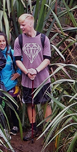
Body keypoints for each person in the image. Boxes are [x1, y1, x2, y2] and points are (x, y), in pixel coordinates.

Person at [13, 13, 52, 141]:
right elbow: (17, 60)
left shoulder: (43, 39)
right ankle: (33, 128)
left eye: (23, 25)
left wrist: (36, 70)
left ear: (30, 24)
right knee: (30, 103)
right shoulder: (19, 40)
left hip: (42, 78)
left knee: (45, 102)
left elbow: (47, 59)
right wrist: (26, 71)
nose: (21, 27)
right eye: (20, 25)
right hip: (27, 80)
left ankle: (48, 128)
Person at [0, 31, 21, 135]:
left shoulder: (11, 52)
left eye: (3, 41)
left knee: (13, 107)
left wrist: (18, 73)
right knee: (1, 107)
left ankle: (15, 126)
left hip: (11, 85)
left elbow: (20, 62)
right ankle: (3, 127)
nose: (1, 43)